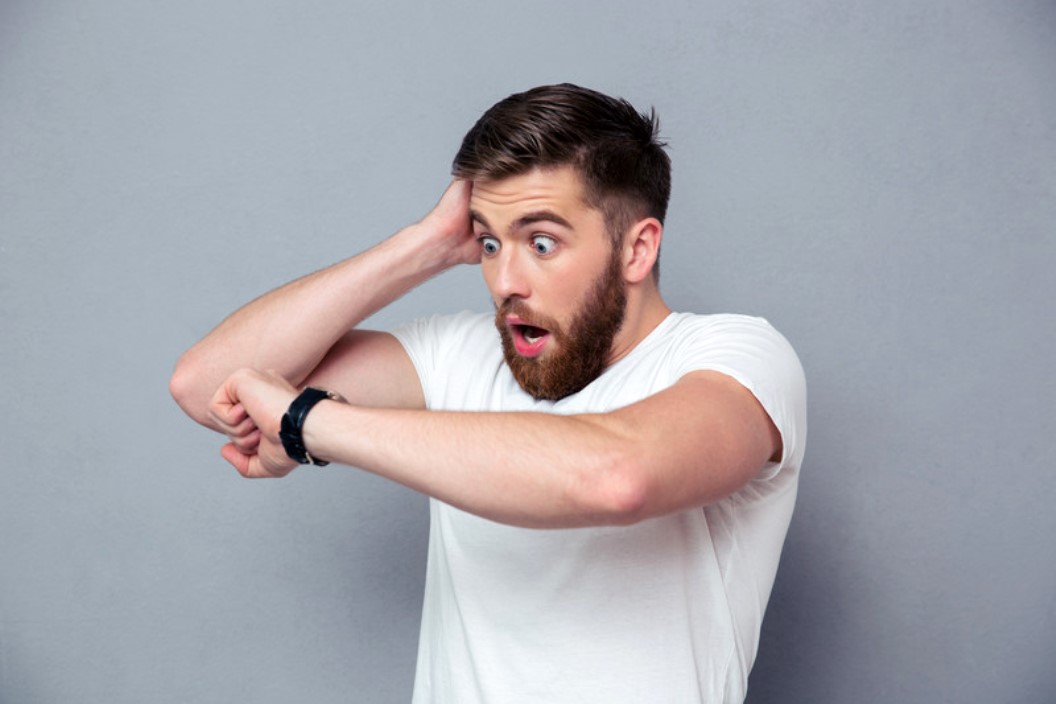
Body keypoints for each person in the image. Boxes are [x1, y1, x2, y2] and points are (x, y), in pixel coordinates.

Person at [170, 83, 807, 704]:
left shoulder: (737, 357)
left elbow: (616, 475)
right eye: (491, 242)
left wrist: (310, 423)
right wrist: (425, 245)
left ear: (636, 248)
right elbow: (207, 387)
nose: (505, 280)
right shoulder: (457, 354)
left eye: (541, 242)